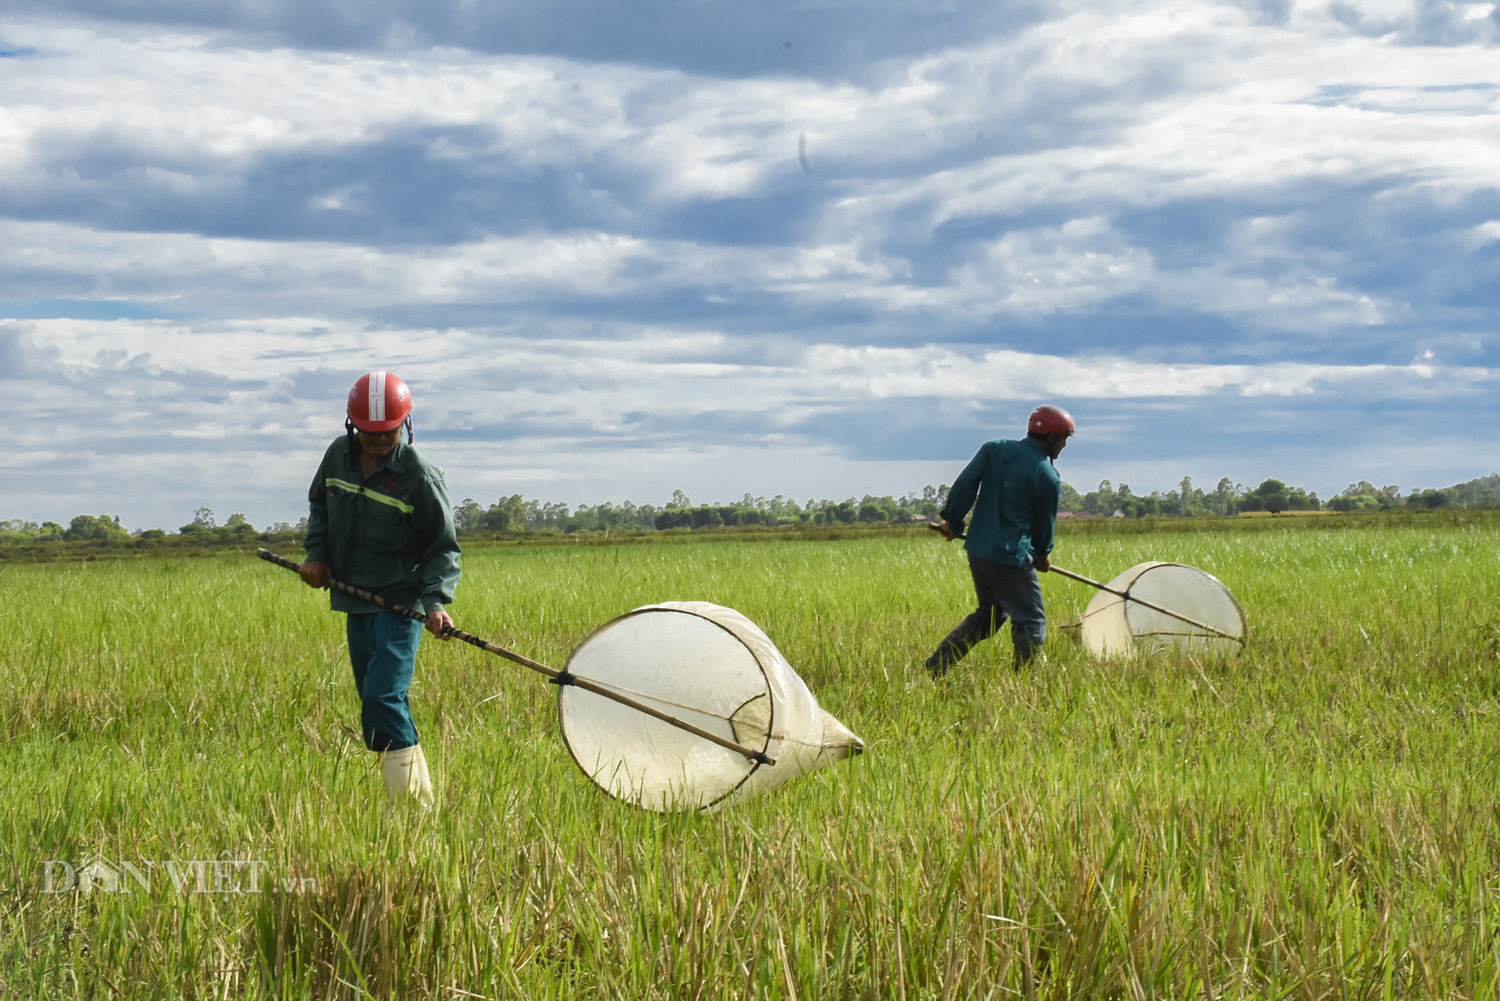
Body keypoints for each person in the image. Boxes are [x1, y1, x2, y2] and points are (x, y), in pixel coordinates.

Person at [297, 371, 461, 808]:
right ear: (352, 426)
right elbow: (319, 504)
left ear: (404, 424)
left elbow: (443, 548)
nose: (378, 441)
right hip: (355, 599)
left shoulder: (420, 477)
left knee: (382, 696)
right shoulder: (337, 456)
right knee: (377, 704)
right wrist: (316, 555)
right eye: (369, 433)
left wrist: (436, 603)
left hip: (402, 604)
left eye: (387, 432)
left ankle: (406, 809)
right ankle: (419, 803)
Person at [924, 405, 1075, 677]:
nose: (1064, 446)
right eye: (1064, 439)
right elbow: (1044, 524)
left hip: (979, 550)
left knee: (991, 616)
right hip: (1011, 556)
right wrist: (1043, 554)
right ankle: (1024, 682)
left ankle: (936, 666)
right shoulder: (1047, 475)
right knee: (1031, 619)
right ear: (1051, 437)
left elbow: (965, 484)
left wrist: (953, 521)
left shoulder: (994, 448)